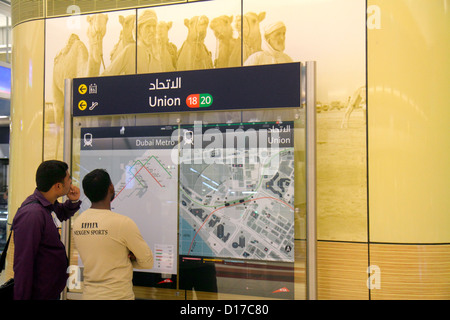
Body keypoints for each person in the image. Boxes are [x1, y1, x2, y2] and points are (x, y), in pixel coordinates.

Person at [73, 169, 153, 300]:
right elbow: (148, 262)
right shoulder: (123, 223)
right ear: (110, 187)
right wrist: (129, 260)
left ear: (86, 193)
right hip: (118, 296)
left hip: (89, 295)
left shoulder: (78, 223)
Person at [12, 160, 81, 300]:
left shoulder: (46, 205)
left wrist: (73, 201)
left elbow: (60, 213)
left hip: (48, 291)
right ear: (58, 186)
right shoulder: (33, 214)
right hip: (38, 294)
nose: (71, 183)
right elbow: (23, 263)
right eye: (69, 179)